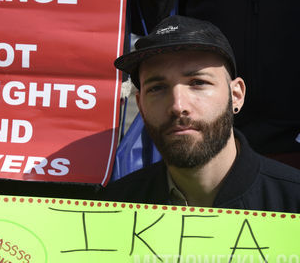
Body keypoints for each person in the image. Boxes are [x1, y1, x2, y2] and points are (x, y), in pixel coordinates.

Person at [101, 15, 300, 212]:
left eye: (198, 83)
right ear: (141, 105)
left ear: (236, 95)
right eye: (157, 88)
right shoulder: (114, 208)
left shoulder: (292, 201)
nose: (178, 105)